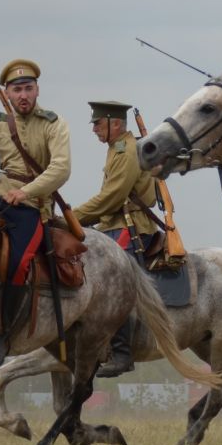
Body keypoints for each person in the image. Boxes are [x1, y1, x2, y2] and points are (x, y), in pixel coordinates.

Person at [0, 59, 72, 366]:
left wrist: (27, 191)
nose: (23, 95)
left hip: (32, 206)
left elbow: (60, 169)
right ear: (7, 93)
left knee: (18, 264)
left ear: (37, 90)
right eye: (17, 89)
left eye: (28, 88)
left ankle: (1, 334)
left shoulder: (53, 124)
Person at [72, 99, 165, 377]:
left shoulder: (126, 151)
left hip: (131, 229)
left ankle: (122, 351)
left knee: (115, 280)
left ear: (115, 123)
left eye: (98, 124)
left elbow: (111, 197)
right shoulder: (116, 148)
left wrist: (71, 218)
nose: (94, 130)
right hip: (114, 224)